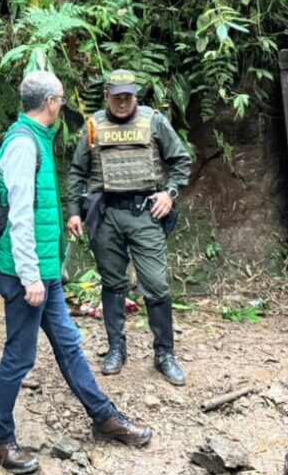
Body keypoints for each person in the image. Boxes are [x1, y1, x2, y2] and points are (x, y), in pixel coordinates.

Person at [0, 70, 152, 474]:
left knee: (69, 345)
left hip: (43, 272)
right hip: (26, 276)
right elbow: (21, 217)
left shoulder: (37, 138)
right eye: (60, 98)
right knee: (19, 357)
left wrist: (49, 269)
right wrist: (31, 277)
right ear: (50, 102)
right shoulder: (23, 145)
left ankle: (104, 418)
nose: (62, 104)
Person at [66, 70, 192, 386]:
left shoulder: (154, 121)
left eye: (128, 96)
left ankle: (164, 354)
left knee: (156, 284)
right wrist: (74, 212)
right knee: (112, 283)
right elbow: (78, 171)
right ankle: (116, 349)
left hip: (145, 213)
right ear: (106, 96)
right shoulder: (93, 126)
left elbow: (181, 161)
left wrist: (169, 193)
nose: (122, 102)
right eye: (116, 96)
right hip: (105, 214)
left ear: (136, 96)